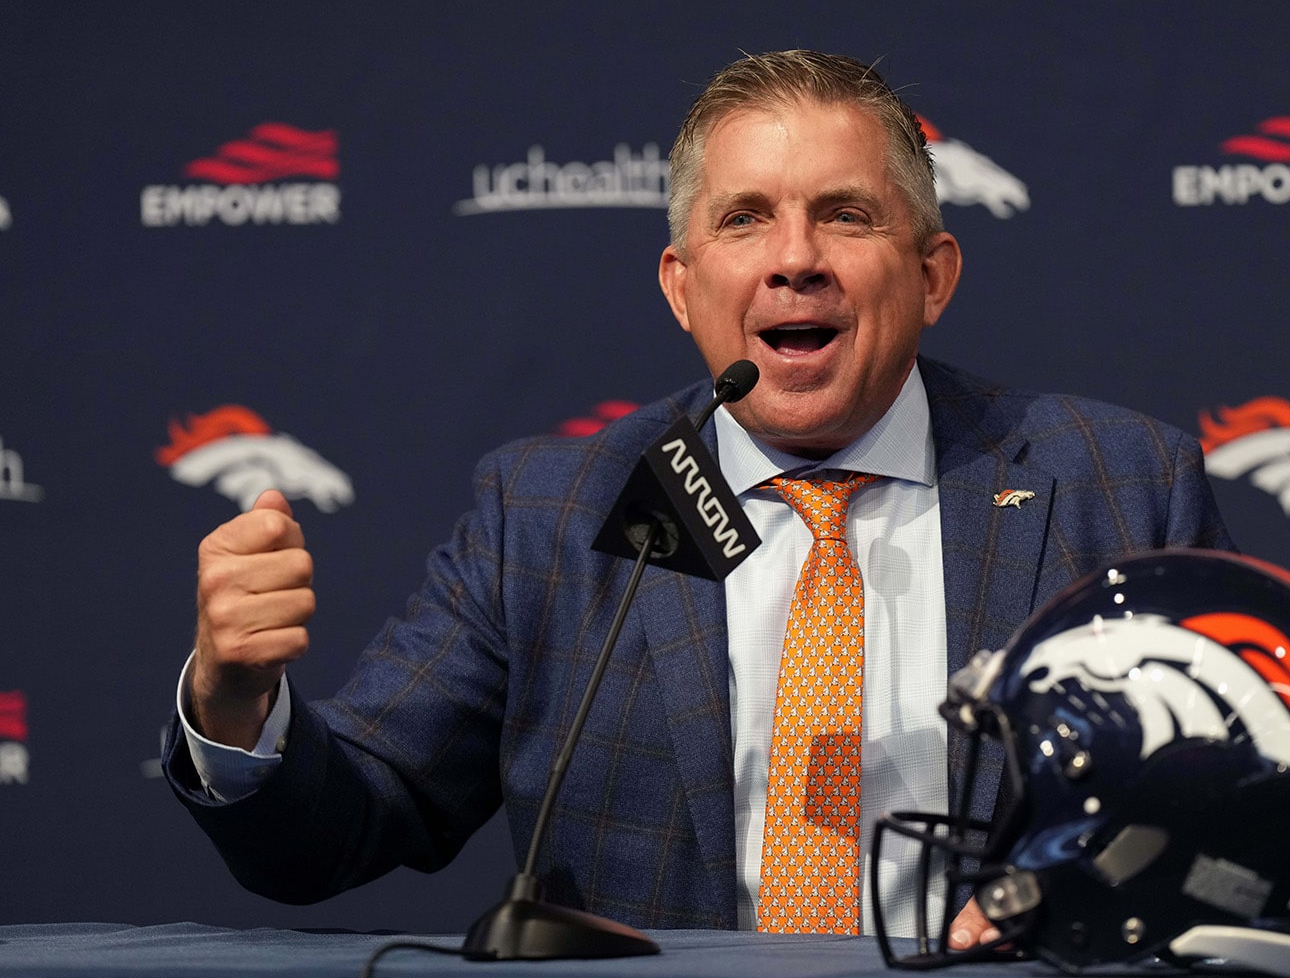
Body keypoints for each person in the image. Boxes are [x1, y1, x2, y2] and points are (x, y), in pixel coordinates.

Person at [165, 50, 1233, 945]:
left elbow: (1234, 824)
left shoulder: (1120, 490)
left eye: (846, 215)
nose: (795, 260)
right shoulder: (549, 514)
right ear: (683, 285)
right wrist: (234, 705)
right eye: (746, 219)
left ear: (934, 274)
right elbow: (341, 827)